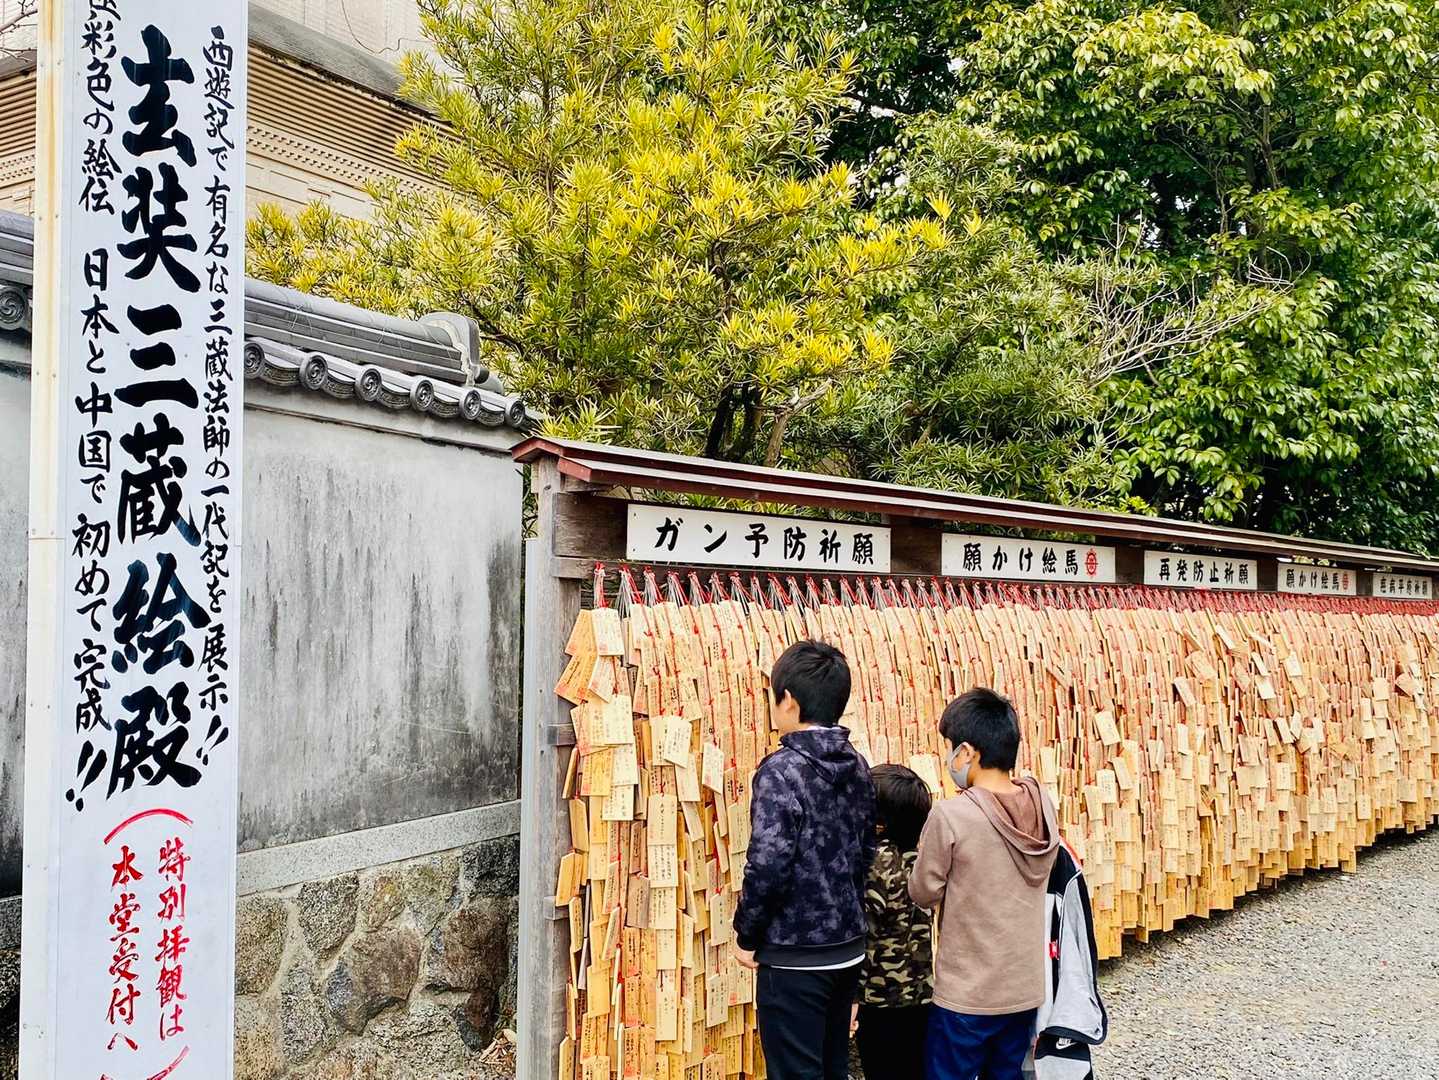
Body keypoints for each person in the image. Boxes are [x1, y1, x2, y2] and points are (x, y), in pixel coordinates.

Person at [732, 640, 876, 1080]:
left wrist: (747, 934)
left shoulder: (781, 770)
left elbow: (768, 863)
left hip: (795, 956)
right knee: (832, 1068)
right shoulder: (858, 764)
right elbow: (866, 852)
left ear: (789, 701)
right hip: (847, 948)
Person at [909, 687, 1060, 1080]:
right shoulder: (1042, 804)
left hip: (967, 993)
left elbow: (922, 892)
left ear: (967, 752)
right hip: (1023, 988)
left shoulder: (952, 816)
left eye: (949, 748)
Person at [852, 764, 934, 1080]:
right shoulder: (922, 856)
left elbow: (863, 935)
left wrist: (850, 995)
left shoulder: (873, 862)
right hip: (921, 993)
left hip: (880, 997)